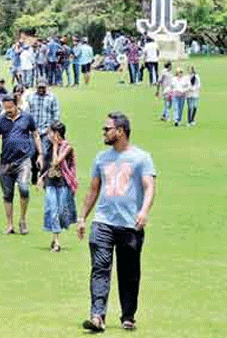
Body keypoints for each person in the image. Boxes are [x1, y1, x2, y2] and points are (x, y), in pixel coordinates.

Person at [77, 112, 156, 332]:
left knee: (129, 272)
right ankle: (97, 316)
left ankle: (128, 315)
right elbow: (93, 190)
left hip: (130, 224)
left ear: (120, 131)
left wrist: (144, 211)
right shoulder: (101, 158)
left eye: (107, 129)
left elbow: (150, 186)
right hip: (102, 222)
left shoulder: (141, 158)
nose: (104, 132)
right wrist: (82, 217)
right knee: (100, 269)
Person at [0, 95, 43, 235]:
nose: (8, 111)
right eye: (6, 108)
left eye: (10, 107)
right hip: (5, 161)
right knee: (7, 194)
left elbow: (36, 135)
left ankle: (22, 219)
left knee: (24, 188)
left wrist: (40, 154)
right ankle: (9, 224)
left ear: (17, 105)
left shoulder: (27, 117)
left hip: (23, 160)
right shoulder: (0, 119)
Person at [39, 121, 77, 253]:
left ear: (56, 133)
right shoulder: (48, 145)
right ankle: (56, 242)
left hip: (63, 183)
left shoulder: (67, 147)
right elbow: (48, 164)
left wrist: (55, 146)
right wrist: (41, 177)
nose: (48, 135)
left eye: (50, 132)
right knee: (52, 210)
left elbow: (56, 162)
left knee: (61, 212)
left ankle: (55, 236)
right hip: (51, 182)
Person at [27, 79, 60, 185]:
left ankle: (43, 176)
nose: (41, 89)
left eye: (43, 87)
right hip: (33, 131)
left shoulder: (52, 98)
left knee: (45, 154)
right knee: (32, 154)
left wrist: (53, 130)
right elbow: (27, 113)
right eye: (39, 87)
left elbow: (56, 115)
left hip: (46, 131)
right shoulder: (31, 97)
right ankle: (34, 174)